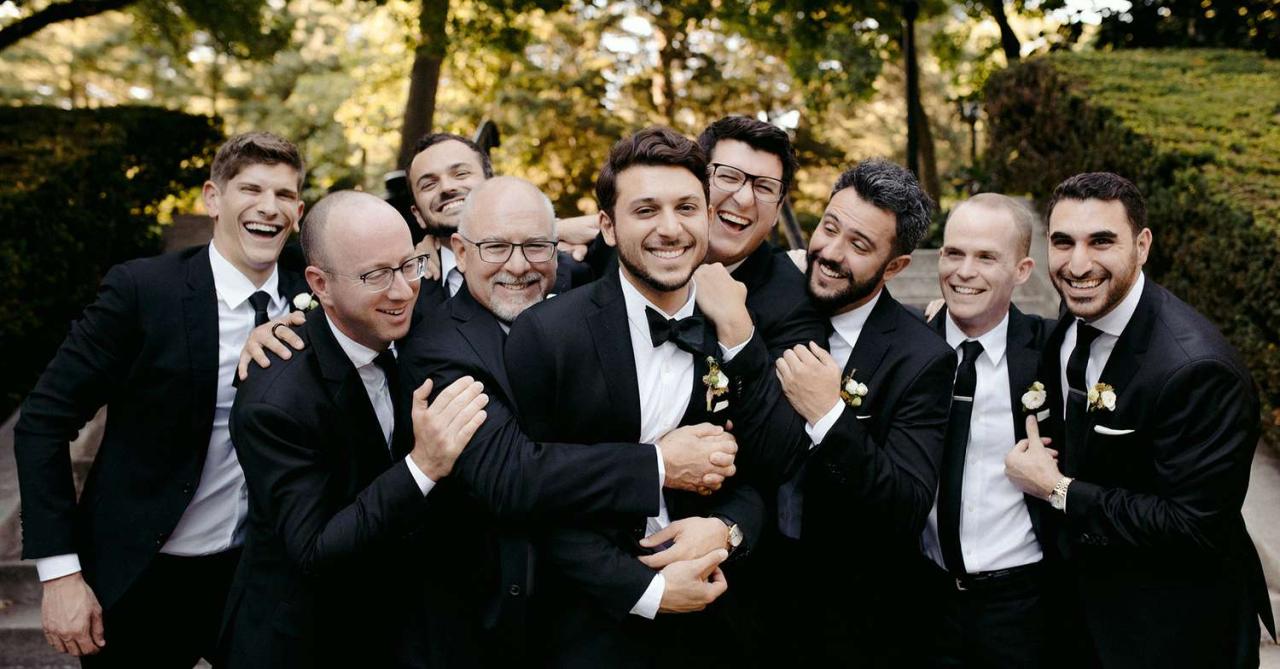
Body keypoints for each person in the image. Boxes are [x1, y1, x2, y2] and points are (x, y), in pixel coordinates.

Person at [398, 176, 743, 658]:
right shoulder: (438, 346)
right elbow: (510, 474)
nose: (518, 266)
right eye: (495, 246)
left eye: (537, 246)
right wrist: (661, 462)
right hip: (495, 626)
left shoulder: (593, 303)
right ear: (459, 249)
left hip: (624, 610)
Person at [13, 132, 308, 667]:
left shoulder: (313, 295)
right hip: (141, 574)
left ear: (299, 210)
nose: (270, 207)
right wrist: (60, 574)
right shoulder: (143, 291)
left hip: (254, 577)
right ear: (213, 199)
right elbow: (40, 423)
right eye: (251, 189)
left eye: (285, 195)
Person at [504, 127, 775, 667]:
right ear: (608, 225)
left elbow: (769, 466)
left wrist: (726, 530)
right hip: (591, 627)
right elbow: (532, 492)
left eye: (686, 207)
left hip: (718, 619)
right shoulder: (549, 334)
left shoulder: (733, 319)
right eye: (646, 210)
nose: (670, 228)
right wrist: (646, 591)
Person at [1003, 172, 1275, 667]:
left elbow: (1192, 526)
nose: (1077, 263)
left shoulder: (1198, 369)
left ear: (1142, 245)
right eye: (1063, 242)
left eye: (1102, 241)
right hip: (1085, 615)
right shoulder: (1078, 315)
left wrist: (1057, 488)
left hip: (1174, 628)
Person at [223, 190, 488, 667]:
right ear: (319, 284)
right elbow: (314, 549)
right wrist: (422, 466)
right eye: (375, 275)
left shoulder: (410, 314)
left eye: (409, 265)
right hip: (304, 641)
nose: (403, 290)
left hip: (402, 630)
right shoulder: (274, 401)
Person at [771, 158, 956, 666]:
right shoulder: (769, 305)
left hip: (855, 618)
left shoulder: (923, 359)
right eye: (829, 228)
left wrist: (829, 414)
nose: (830, 253)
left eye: (859, 245)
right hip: (749, 595)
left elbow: (907, 503)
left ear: (895, 266)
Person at [919, 193, 1056, 667]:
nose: (964, 271)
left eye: (985, 257)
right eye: (954, 253)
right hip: (924, 598)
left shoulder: (1052, 350)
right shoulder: (911, 347)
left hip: (1024, 605)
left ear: (1021, 271)